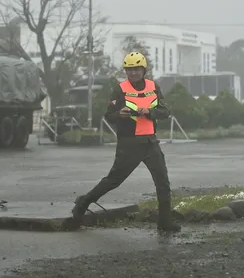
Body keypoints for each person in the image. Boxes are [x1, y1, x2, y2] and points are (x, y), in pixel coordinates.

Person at [67, 51, 181, 232]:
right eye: (129, 70)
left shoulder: (153, 86)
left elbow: (165, 111)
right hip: (129, 144)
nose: (133, 73)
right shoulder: (120, 89)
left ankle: (165, 222)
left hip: (151, 142)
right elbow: (108, 114)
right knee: (114, 180)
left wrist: (149, 112)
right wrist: (119, 114)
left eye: (136, 69)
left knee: (163, 182)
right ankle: (83, 202)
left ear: (144, 69)